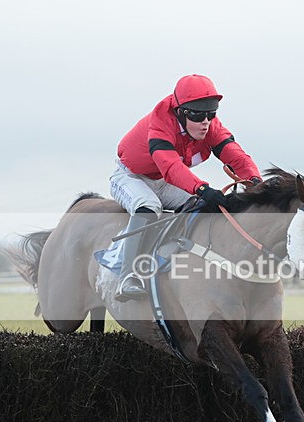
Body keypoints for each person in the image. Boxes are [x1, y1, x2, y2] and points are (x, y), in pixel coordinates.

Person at [110, 74, 261, 301]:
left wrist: (256, 183)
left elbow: (237, 157)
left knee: (203, 206)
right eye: (199, 115)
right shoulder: (160, 123)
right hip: (131, 177)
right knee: (149, 205)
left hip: (163, 180)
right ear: (181, 112)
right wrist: (202, 188)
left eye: (211, 114)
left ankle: (182, 264)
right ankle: (127, 276)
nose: (205, 122)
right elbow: (170, 167)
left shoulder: (210, 127)